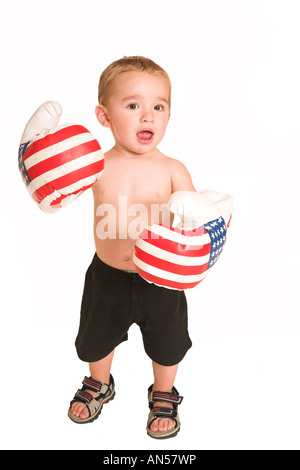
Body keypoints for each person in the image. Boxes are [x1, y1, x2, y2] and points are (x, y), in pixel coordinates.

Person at [68, 56, 196, 439]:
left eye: (158, 106)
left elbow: (195, 215)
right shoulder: (95, 164)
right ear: (104, 116)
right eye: (133, 105)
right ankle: (99, 383)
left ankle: (163, 392)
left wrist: (204, 228)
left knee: (167, 341)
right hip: (107, 275)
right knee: (95, 337)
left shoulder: (173, 168)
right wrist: (49, 176)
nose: (148, 117)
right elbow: (61, 188)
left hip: (161, 277)